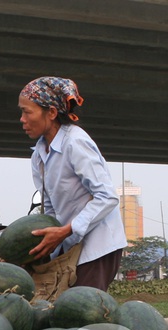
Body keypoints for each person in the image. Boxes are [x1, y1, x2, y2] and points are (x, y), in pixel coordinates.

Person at [18, 76, 127, 291]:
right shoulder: (39, 155)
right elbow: (49, 207)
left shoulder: (75, 142)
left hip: (98, 246)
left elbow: (107, 197)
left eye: (27, 112)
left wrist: (67, 230)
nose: (22, 119)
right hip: (70, 245)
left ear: (50, 112)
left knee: (83, 312)